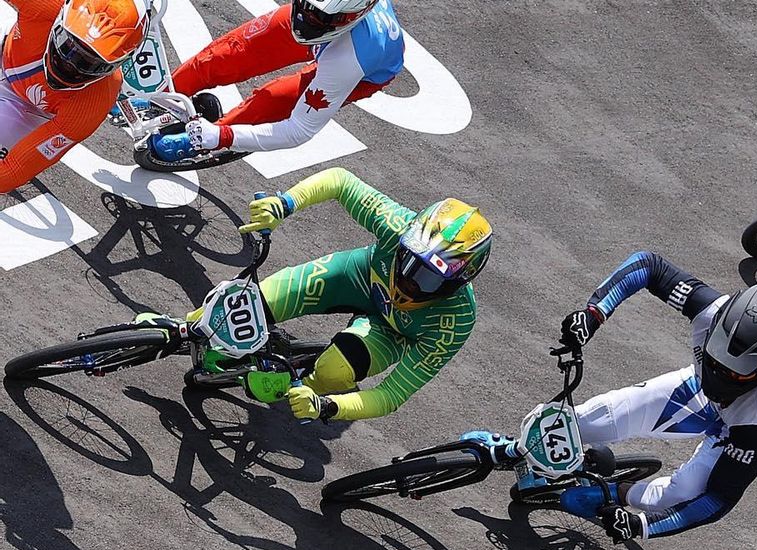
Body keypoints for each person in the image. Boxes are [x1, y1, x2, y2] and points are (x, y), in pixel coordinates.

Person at [471, 252, 757, 544]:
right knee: (589, 421)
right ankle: (513, 449)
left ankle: (613, 492)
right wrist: (593, 314)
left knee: (680, 493)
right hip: (699, 393)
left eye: (736, 374)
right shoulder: (712, 311)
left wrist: (640, 525)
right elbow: (648, 266)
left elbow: (716, 500)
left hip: (740, 429)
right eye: (715, 359)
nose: (719, 374)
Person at [144, 167, 492, 421]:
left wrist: (326, 406)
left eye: (427, 280)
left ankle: (296, 383)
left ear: (456, 284)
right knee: (247, 302)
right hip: (355, 277)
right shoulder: (398, 226)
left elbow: (390, 396)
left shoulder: (455, 321)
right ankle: (178, 326)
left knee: (333, 373)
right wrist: (284, 204)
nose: (407, 281)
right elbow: (340, 181)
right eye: (407, 261)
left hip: (391, 333)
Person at [147, 0, 405, 162]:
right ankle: (159, 95)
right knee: (225, 55)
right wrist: (313, 11)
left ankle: (201, 141)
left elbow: (298, 130)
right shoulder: (315, 13)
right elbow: (314, 14)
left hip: (356, 62)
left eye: (319, 17)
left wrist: (220, 136)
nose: (306, 21)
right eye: (306, 7)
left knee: (270, 103)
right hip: (337, 28)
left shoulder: (348, 60)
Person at [0, 0, 148, 192]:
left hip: (28, 113)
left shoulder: (94, 104)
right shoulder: (46, 5)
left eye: (89, 63)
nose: (70, 64)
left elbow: (15, 170)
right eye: (68, 46)